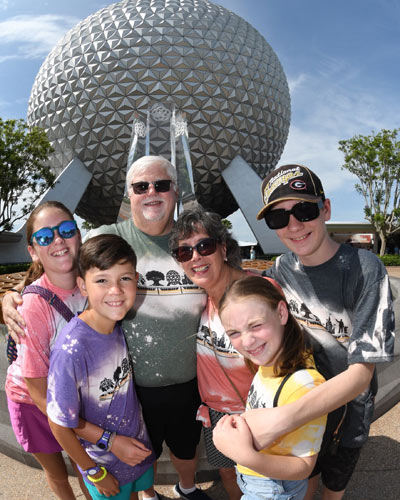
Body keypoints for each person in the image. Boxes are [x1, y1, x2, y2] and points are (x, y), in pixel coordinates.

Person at [242, 164, 394, 500]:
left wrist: (281, 420)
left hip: (346, 414)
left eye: (304, 210)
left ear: (325, 209)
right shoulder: (280, 269)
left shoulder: (365, 270)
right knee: (303, 484)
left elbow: (361, 374)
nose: (294, 226)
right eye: (278, 218)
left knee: (333, 489)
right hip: (301, 404)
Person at [47, 234, 155, 500]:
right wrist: (93, 471)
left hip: (135, 450)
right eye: (102, 280)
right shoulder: (71, 349)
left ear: (136, 280)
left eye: (125, 279)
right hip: (103, 465)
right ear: (83, 286)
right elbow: (60, 423)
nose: (115, 290)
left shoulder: (117, 324)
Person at [4, 201, 89, 500]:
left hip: (74, 398)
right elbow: (37, 390)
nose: (57, 240)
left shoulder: (94, 283)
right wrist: (78, 428)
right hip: (32, 401)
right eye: (44, 237)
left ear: (78, 236)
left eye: (66, 230)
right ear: (32, 250)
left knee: (85, 468)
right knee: (58, 472)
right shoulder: (35, 305)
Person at [169, 206, 255, 500]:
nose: (195, 257)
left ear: (223, 247)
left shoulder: (256, 292)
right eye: (184, 253)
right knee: (228, 473)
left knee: (266, 479)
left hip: (257, 413)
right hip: (217, 413)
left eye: (204, 246)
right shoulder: (201, 297)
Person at [214, 276, 327, 500]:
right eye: (234, 333)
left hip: (273, 489)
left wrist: (244, 455)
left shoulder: (303, 385)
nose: (246, 342)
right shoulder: (271, 361)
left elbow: (304, 466)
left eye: (255, 325)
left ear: (282, 313)